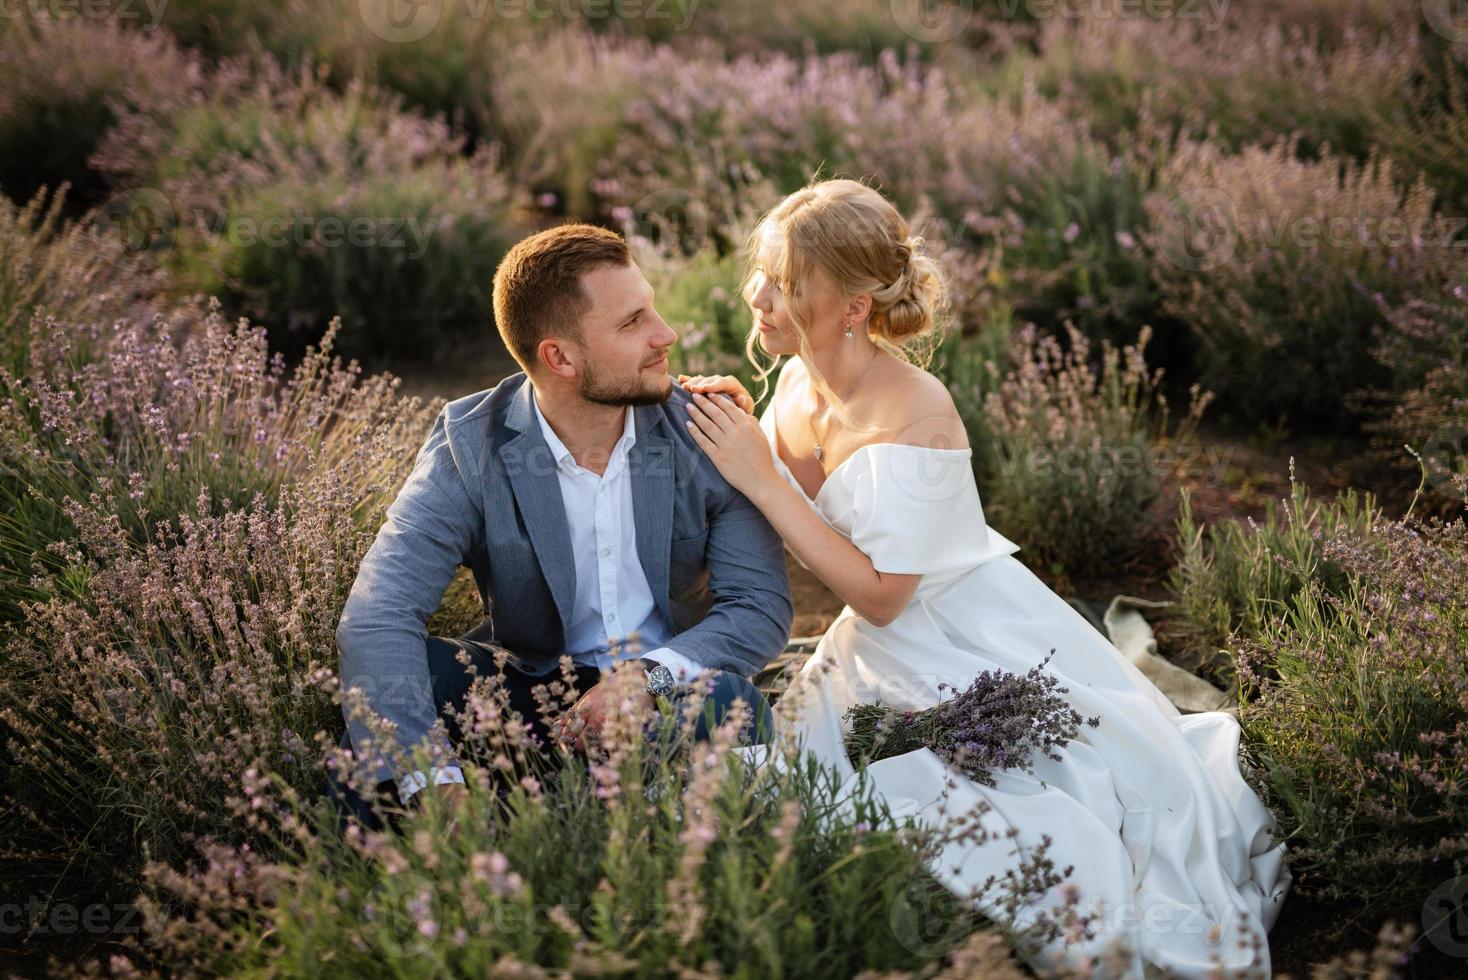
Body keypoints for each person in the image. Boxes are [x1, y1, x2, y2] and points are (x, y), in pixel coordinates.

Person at [675, 178, 1292, 977]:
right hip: (865, 651)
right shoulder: (794, 379)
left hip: (957, 635)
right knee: (796, 795)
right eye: (761, 271)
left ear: (855, 306)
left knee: (1012, 808)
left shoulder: (914, 412)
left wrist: (759, 477)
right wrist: (737, 438)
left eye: (787, 284)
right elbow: (795, 507)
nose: (759, 296)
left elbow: (885, 596)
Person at [329, 223, 791, 835]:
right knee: (387, 701)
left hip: (665, 693)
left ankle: (698, 867)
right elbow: (379, 613)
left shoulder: (705, 430)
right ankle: (416, 896)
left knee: (733, 704)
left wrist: (646, 678)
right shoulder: (472, 445)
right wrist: (433, 780)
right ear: (560, 357)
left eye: (652, 309)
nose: (666, 336)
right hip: (531, 693)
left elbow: (759, 606)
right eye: (633, 323)